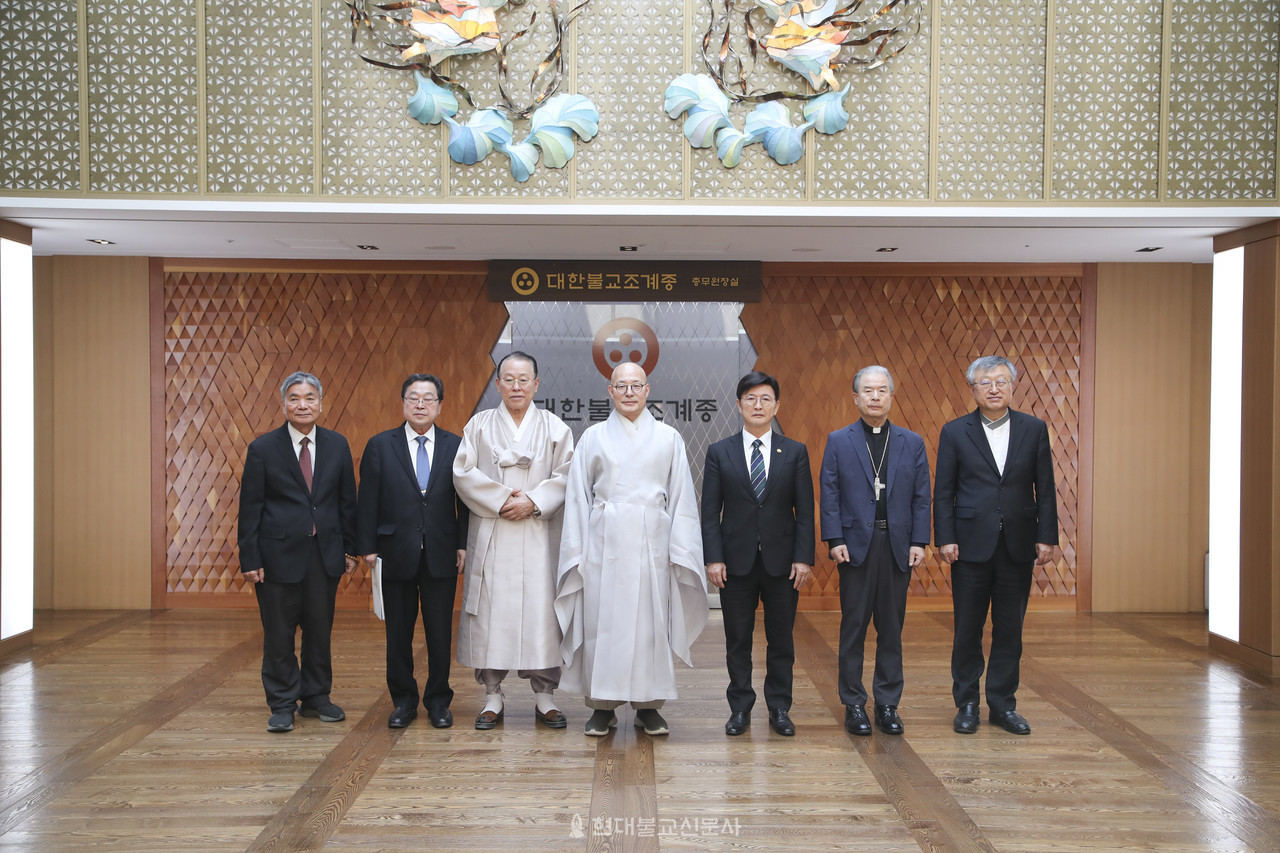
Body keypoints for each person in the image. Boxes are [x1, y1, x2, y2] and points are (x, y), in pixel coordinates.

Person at [555, 362, 708, 737]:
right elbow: (577, 497)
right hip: (603, 541)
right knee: (601, 623)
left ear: (647, 389)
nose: (628, 392)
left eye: (635, 385)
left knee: (650, 625)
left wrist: (679, 547)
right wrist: (577, 549)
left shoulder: (669, 438)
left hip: (652, 543)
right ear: (610, 391)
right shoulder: (593, 437)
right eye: (620, 386)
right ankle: (601, 706)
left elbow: (682, 497)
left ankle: (648, 705)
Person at [935, 356, 1058, 736]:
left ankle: (1003, 705)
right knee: (967, 629)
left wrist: (1046, 536)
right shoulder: (955, 431)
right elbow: (944, 491)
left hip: (1018, 543)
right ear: (973, 389)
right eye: (986, 382)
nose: (994, 388)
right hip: (969, 545)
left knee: (1010, 629)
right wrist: (946, 537)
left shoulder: (1033, 428)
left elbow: (1045, 487)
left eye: (1001, 381)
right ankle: (967, 703)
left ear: (1012, 386)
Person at [453, 352, 575, 730]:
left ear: (536, 384)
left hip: (538, 533)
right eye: (509, 379)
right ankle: (492, 695)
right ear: (498, 384)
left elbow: (568, 474)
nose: (516, 386)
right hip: (495, 531)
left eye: (524, 379)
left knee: (542, 613)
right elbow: (462, 473)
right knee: (492, 614)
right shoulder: (479, 425)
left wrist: (533, 502)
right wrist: (503, 500)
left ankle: (545, 697)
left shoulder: (555, 428)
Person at [238, 371, 358, 733]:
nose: (302, 405)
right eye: (294, 398)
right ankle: (282, 703)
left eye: (309, 398)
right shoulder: (263, 448)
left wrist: (350, 548)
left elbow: (347, 501)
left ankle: (317, 697)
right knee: (279, 635)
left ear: (321, 403)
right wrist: (250, 558)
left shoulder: (337, 444)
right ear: (284, 405)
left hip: (324, 555)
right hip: (276, 558)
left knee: (319, 632)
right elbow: (250, 507)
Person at [819, 365, 930, 736]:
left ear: (892, 396)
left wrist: (919, 541)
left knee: (892, 629)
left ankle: (887, 704)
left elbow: (921, 497)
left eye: (882, 390)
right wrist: (835, 540)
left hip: (897, 545)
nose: (875, 396)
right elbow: (829, 493)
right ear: (856, 397)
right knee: (853, 627)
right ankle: (853, 703)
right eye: (868, 390)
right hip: (854, 547)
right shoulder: (839, 440)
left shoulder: (911, 442)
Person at [702, 371, 814, 737]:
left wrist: (803, 558)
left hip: (783, 563)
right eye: (750, 398)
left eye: (766, 398)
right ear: (739, 405)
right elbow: (710, 512)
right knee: (738, 639)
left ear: (776, 406)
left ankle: (779, 708)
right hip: (734, 563)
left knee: (781, 640)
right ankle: (740, 709)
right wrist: (713, 558)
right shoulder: (720, 452)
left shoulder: (794, 452)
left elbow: (805, 511)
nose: (758, 405)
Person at [356, 374, 469, 730]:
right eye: (413, 398)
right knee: (398, 634)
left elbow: (465, 501)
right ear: (404, 403)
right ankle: (403, 702)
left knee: (439, 633)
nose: (421, 404)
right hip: (394, 552)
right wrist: (367, 547)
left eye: (428, 398)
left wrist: (463, 543)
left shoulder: (456, 445)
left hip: (441, 553)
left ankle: (438, 701)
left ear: (440, 405)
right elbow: (367, 499)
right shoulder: (380, 445)